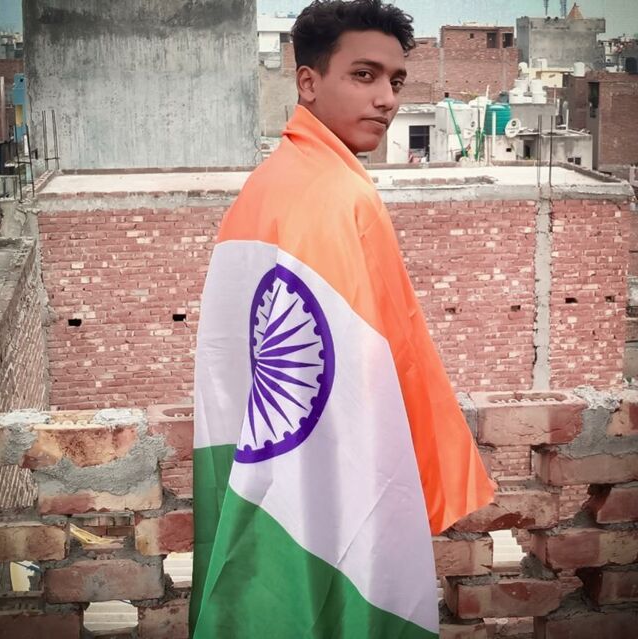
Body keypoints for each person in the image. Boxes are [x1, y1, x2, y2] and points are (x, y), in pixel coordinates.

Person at [191, 1, 494, 637]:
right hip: (324, 481)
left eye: (396, 81)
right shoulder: (339, 195)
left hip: (263, 464)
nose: (387, 99)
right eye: (364, 75)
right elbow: (365, 372)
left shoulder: (268, 184)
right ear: (308, 82)